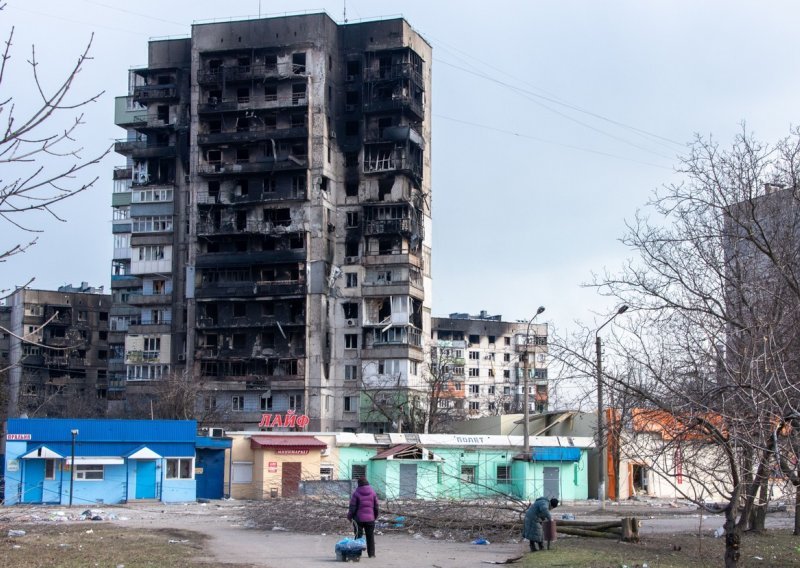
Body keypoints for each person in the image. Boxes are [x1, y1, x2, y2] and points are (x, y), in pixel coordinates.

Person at [347, 477, 380, 558]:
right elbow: (376, 507)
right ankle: (371, 554)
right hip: (370, 518)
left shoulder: (356, 493)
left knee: (358, 536)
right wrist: (374, 516)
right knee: (370, 536)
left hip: (358, 519)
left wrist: (349, 516)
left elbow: (352, 507)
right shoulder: (373, 492)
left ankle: (357, 554)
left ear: (359, 484)